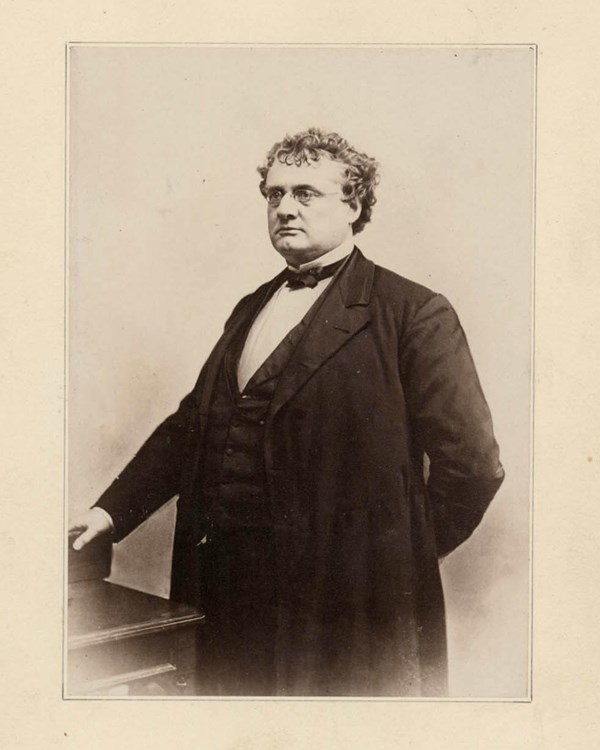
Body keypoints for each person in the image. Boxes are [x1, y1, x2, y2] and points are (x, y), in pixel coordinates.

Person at [69, 127, 505, 697]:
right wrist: (111, 512)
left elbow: (472, 466)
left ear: (353, 205)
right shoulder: (252, 306)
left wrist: (396, 555)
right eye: (274, 195)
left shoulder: (414, 312)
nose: (285, 209)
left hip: (344, 601)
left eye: (306, 193)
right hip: (224, 587)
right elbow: (191, 425)